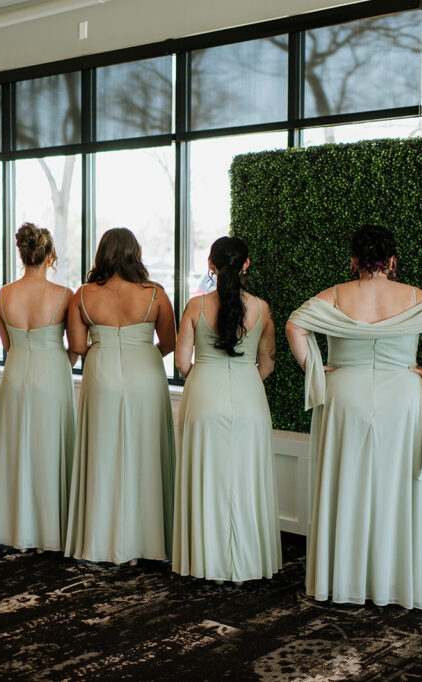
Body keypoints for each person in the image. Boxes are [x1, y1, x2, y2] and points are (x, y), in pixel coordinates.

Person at [286, 224, 422, 610]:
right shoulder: (415, 296)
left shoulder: (335, 295)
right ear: (392, 261)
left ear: (354, 261)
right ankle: (394, 583)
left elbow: (295, 326)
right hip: (400, 397)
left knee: (344, 482)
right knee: (396, 488)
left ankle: (340, 580)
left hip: (344, 395)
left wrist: (316, 370)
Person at [64, 227, 176, 565]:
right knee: (146, 449)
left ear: (102, 254)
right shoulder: (154, 293)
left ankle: (101, 539)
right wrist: (139, 351)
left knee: (103, 452)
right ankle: (149, 539)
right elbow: (170, 342)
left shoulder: (82, 295)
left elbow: (78, 346)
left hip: (102, 373)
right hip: (145, 372)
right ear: (134, 253)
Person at [172, 236, 281, 582]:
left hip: (204, 395)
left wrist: (207, 374)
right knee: (247, 479)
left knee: (208, 477)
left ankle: (207, 561)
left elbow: (182, 363)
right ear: (246, 264)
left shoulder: (195, 306)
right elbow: (267, 365)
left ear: (211, 265)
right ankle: (248, 562)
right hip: (249, 398)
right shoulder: (262, 309)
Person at [0, 223, 76, 552]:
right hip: (52, 372)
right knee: (50, 449)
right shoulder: (64, 296)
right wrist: (60, 360)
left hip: (15, 372)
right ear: (50, 257)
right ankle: (52, 530)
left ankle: (16, 528)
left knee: (16, 449)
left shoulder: (4, 295)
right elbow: (76, 345)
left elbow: (8, 343)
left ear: (23, 256)